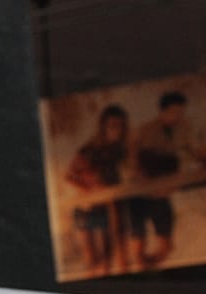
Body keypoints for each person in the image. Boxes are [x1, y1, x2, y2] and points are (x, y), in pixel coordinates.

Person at [128, 91, 206, 267]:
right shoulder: (146, 131)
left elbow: (196, 151)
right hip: (141, 194)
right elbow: (133, 159)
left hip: (162, 193)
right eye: (175, 112)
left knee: (166, 247)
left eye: (181, 112)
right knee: (138, 248)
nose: (178, 116)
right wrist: (141, 177)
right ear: (163, 111)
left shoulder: (184, 129)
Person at [65, 104, 130, 276]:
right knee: (92, 258)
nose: (116, 130)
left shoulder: (120, 149)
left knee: (110, 255)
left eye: (120, 126)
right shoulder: (90, 150)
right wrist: (90, 189)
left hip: (111, 205)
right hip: (89, 208)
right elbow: (70, 175)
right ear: (103, 126)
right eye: (112, 125)